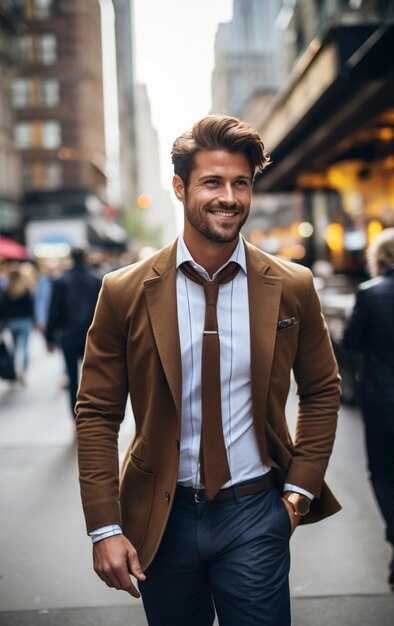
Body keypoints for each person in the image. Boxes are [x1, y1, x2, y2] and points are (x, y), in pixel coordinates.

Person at [76, 115, 341, 626]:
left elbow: (323, 389)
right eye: (212, 182)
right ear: (180, 188)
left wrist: (297, 496)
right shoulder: (124, 291)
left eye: (241, 183)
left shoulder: (292, 284)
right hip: (162, 516)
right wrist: (104, 527)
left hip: (255, 512)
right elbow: (97, 413)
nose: (229, 197)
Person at [343, 228, 394, 586]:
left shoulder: (369, 294)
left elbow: (351, 342)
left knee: (382, 474)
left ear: (380, 258)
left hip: (381, 403)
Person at [46, 246, 102, 415]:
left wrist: (49, 337)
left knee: (72, 379)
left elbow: (54, 310)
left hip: (69, 336)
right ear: (86, 257)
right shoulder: (97, 279)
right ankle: (92, 415)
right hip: (92, 336)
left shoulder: (61, 281)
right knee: (93, 379)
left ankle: (75, 416)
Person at [0, 268, 34, 385]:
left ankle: (14, 371)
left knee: (14, 347)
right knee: (24, 347)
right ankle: (22, 372)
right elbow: (31, 307)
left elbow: (3, 308)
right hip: (24, 321)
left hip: (12, 322)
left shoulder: (6, 290)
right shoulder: (25, 290)